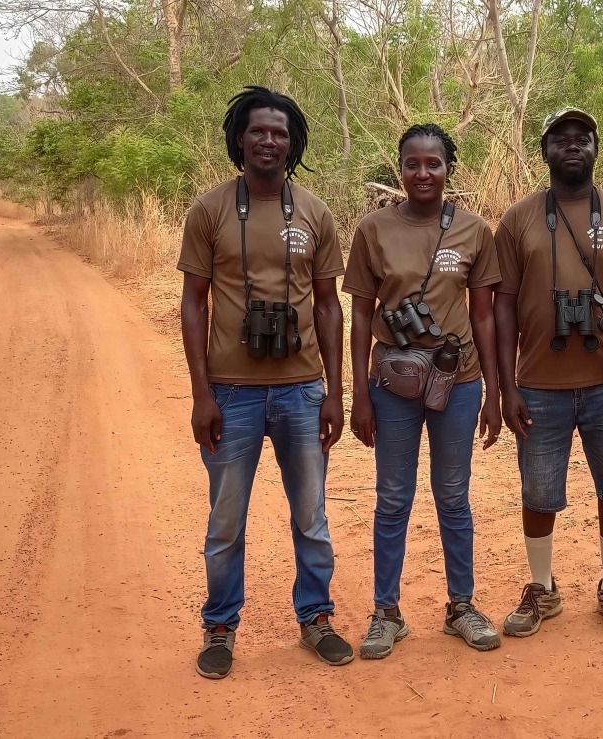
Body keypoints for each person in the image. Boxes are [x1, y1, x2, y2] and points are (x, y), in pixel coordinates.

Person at [178, 86, 353, 678]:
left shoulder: (315, 212)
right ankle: (220, 627)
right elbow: (193, 302)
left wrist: (335, 393)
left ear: (292, 143)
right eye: (258, 130)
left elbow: (328, 305)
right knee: (226, 522)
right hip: (231, 391)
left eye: (280, 133)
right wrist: (201, 394)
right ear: (239, 138)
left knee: (311, 516)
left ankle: (316, 618)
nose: (269, 141)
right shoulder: (209, 211)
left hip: (301, 390)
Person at [494, 108, 603, 639]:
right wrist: (506, 387)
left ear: (595, 149)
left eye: (582, 138)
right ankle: (542, 588)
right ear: (544, 151)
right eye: (560, 139)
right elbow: (503, 306)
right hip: (538, 384)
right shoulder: (517, 219)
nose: (572, 146)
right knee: (539, 493)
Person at [343, 124, 503, 659]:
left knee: (453, 496)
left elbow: (484, 316)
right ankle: (386, 613)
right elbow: (359, 313)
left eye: (433, 163)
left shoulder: (475, 231)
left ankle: (462, 607)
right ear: (400, 168)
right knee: (392, 497)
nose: (422, 173)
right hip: (392, 384)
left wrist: (494, 392)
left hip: (459, 381)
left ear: (448, 168)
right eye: (412, 163)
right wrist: (359, 393)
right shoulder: (373, 229)